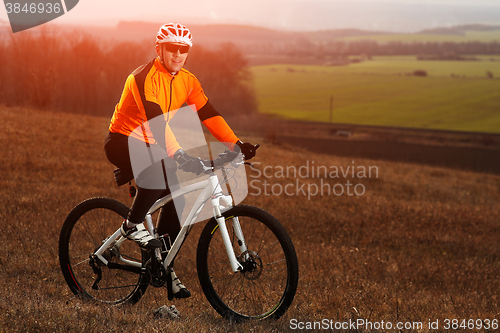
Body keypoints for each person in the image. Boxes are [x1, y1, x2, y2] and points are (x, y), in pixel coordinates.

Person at [104, 23, 257, 299]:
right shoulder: (143, 78)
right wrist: (179, 155)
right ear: (158, 49)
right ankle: (132, 225)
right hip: (123, 139)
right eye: (171, 48)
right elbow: (156, 123)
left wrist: (236, 144)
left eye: (183, 49)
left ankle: (163, 265)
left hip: (153, 144)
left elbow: (209, 114)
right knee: (158, 173)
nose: (177, 54)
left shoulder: (188, 80)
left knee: (179, 199)